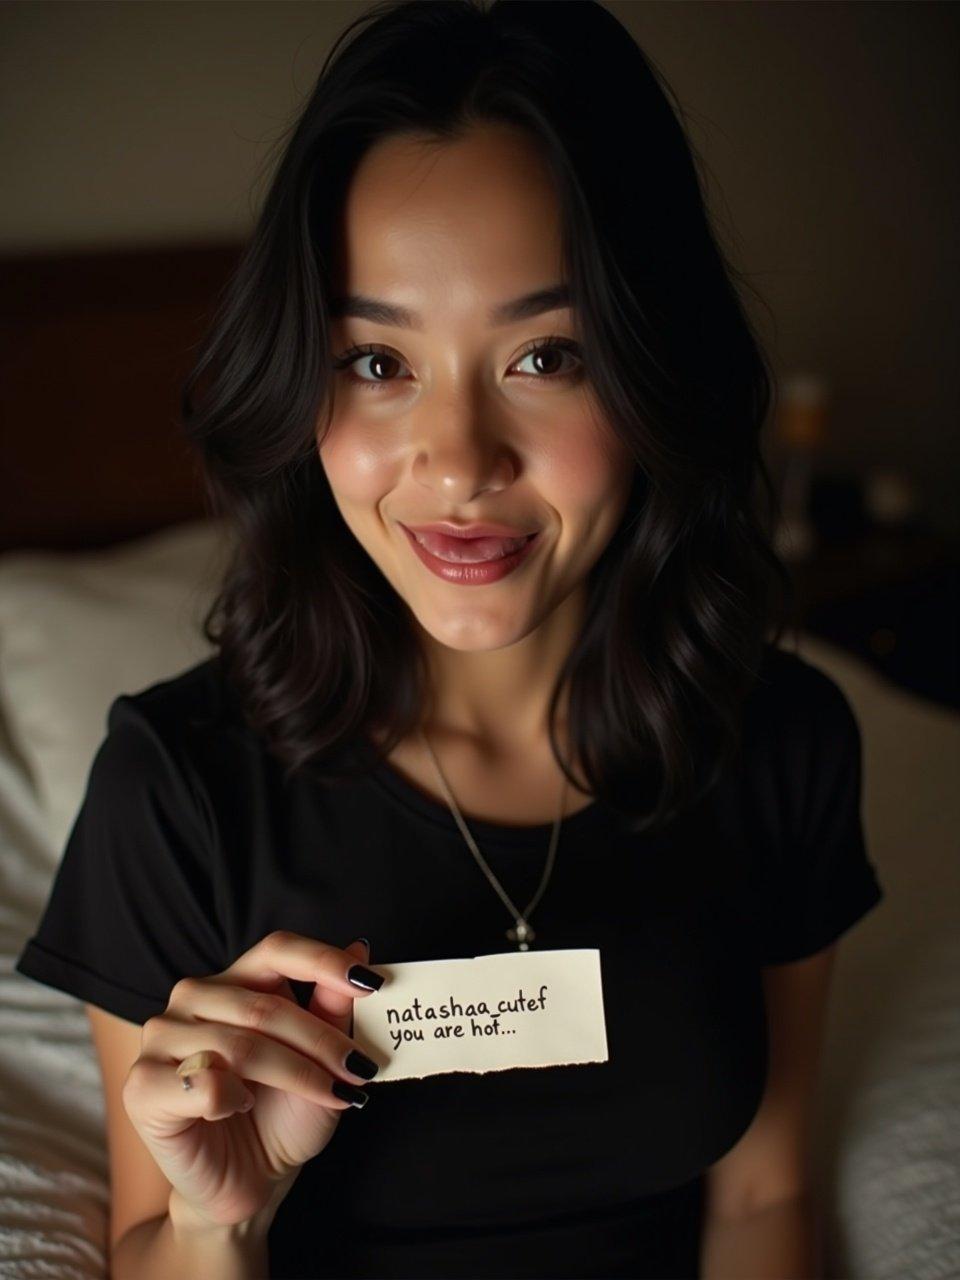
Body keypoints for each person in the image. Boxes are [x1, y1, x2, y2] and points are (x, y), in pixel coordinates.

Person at [14, 2, 886, 1277]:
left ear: (653, 374)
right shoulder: (176, 788)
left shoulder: (783, 744)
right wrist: (217, 1219)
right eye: (376, 361)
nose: (461, 461)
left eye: (547, 353)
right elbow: (155, 1238)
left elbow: (761, 1198)